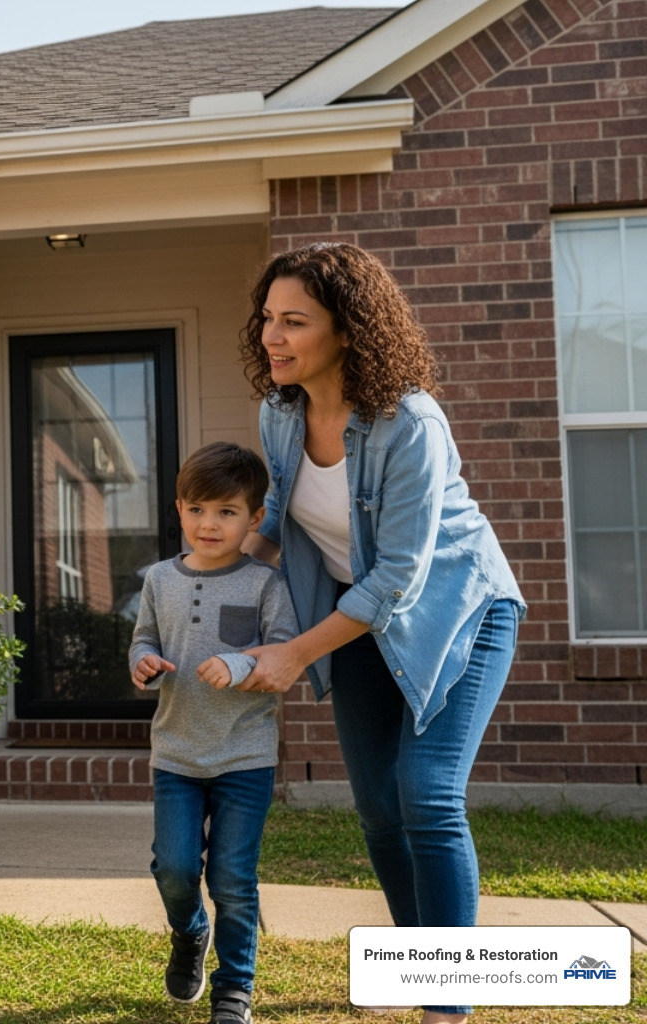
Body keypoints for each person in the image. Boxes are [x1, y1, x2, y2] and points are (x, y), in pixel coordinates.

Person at [235, 242, 525, 1024]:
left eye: (295, 321)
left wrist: (296, 652)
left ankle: (447, 1001)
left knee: (426, 795)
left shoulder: (408, 421)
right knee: (377, 807)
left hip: (460, 613)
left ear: (349, 328)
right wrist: (206, 579)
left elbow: (399, 575)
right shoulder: (280, 413)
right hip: (356, 622)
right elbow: (275, 520)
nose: (273, 337)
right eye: (268, 319)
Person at [129, 442, 298, 1024]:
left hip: (244, 756)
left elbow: (281, 652)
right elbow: (144, 638)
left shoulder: (265, 584)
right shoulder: (158, 579)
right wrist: (144, 662)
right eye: (198, 509)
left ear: (254, 519)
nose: (210, 523)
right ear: (179, 509)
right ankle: (189, 931)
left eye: (227, 512)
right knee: (173, 868)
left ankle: (235, 988)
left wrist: (240, 664)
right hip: (176, 753)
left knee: (232, 875)